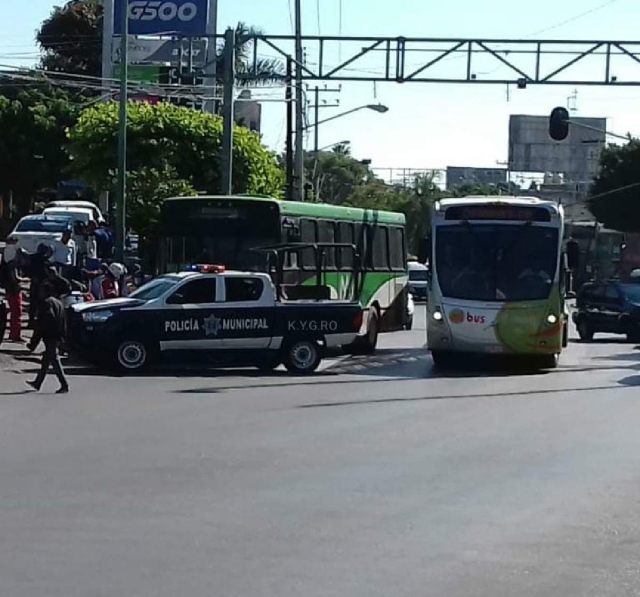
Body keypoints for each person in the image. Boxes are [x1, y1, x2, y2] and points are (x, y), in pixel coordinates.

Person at [27, 282, 69, 394]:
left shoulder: (46, 303)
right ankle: (38, 382)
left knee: (54, 360)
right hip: (57, 335)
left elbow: (45, 321)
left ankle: (64, 384)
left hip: (51, 336)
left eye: (41, 290)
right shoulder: (58, 302)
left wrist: (35, 340)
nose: (39, 293)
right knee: (46, 360)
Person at [0, 252, 26, 342]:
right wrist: (27, 279)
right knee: (17, 313)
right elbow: (16, 278)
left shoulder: (8, 264)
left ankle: (14, 333)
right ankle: (15, 334)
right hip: (14, 291)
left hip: (11, 290)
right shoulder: (13, 265)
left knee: (14, 314)